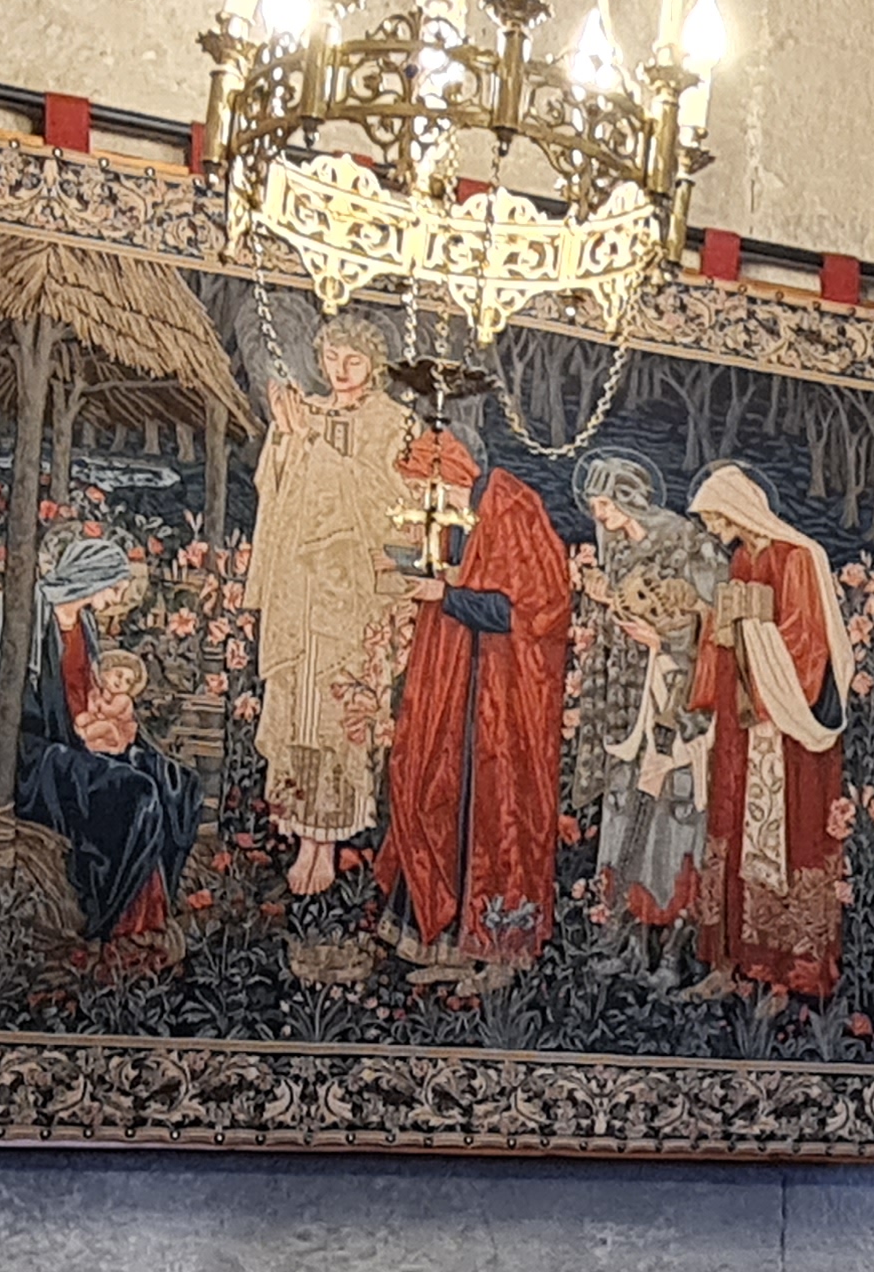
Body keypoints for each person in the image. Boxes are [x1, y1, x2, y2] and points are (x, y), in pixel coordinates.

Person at [375, 414, 573, 989]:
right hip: (462, 685)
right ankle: (449, 943)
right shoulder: (459, 516)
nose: (420, 499)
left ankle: (500, 954)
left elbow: (530, 612)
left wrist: (446, 595)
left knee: (497, 816)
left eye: (423, 485)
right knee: (442, 794)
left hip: (504, 699)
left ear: (451, 474)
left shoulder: (511, 508)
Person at [246, 317, 420, 898]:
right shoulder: (310, 409)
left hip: (350, 588)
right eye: (332, 358)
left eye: (353, 360)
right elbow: (274, 489)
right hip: (301, 582)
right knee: (298, 703)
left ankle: (328, 840)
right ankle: (303, 834)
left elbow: (390, 498)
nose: (340, 371)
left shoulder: (391, 422)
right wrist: (286, 438)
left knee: (336, 707)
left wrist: (316, 446)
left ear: (374, 365)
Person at [0, 537, 200, 939]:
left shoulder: (84, 624)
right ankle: (113, 919)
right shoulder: (23, 613)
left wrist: (107, 730)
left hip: (78, 739)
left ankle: (155, 910)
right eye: (116, 586)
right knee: (136, 792)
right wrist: (82, 735)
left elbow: (86, 692)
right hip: (32, 754)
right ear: (92, 577)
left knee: (178, 782)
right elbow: (0, 709)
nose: (119, 596)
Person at [682, 462, 849, 1002]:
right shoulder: (740, 560)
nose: (712, 527)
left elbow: (805, 647)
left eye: (715, 516)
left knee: (784, 837)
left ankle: (786, 973)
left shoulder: (798, 557)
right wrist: (716, 622)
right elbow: (727, 634)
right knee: (733, 827)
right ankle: (730, 963)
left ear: (737, 509)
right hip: (742, 720)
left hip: (782, 723)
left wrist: (747, 628)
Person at [574, 453, 724, 982]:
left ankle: (675, 945)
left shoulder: (686, 543)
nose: (599, 514)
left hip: (677, 699)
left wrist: (663, 641)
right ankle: (628, 937)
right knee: (625, 807)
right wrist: (603, 605)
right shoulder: (614, 547)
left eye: (604, 502)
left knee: (674, 817)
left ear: (629, 498)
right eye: (594, 505)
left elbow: (715, 622)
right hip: (629, 700)